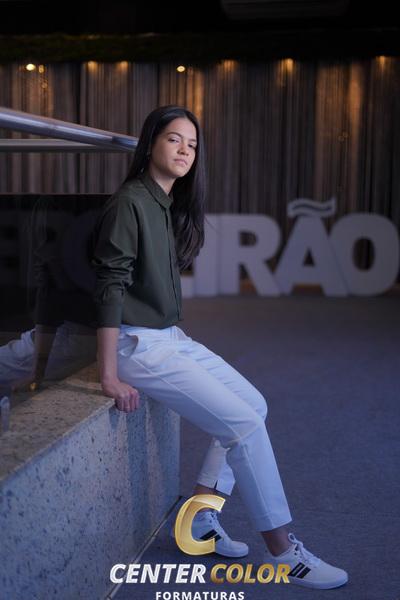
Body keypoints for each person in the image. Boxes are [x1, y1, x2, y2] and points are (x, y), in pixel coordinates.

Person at [91, 104, 348, 590]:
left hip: (168, 337)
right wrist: (108, 375)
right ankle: (283, 552)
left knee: (254, 404)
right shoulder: (130, 203)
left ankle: (200, 517)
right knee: (244, 426)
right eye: (174, 139)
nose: (184, 150)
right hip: (137, 344)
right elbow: (110, 287)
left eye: (192, 144)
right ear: (151, 143)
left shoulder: (164, 202)